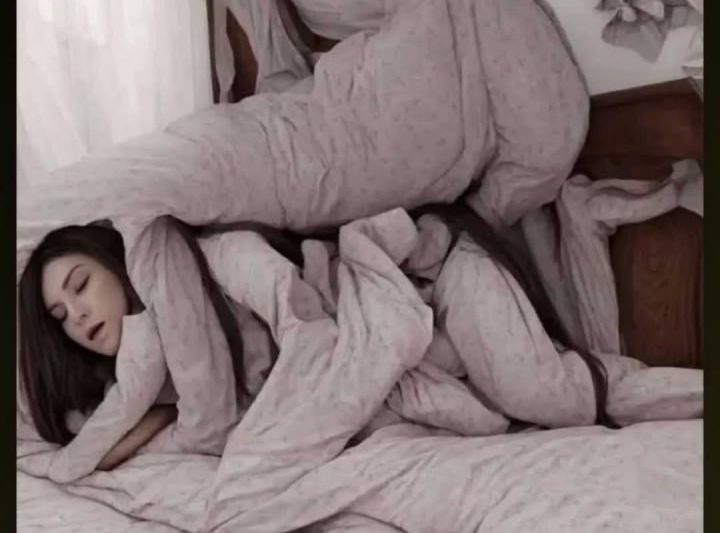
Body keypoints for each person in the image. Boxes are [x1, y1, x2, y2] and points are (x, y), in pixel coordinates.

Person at [18, 205, 616, 469]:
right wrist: (145, 415)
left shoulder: (218, 259)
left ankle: (577, 223)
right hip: (425, 359)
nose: (77, 316)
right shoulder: (164, 384)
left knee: (543, 397)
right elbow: (104, 451)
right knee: (515, 405)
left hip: (425, 282)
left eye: (80, 285)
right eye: (60, 316)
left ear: (117, 264)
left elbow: (306, 329)